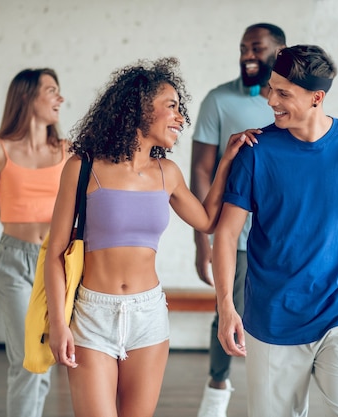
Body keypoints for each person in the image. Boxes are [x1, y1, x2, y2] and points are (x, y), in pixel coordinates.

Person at [43, 57, 251, 417]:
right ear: (139, 109)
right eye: (171, 106)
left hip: (149, 315)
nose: (180, 118)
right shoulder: (82, 167)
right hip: (93, 315)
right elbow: (55, 254)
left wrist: (227, 162)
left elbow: (207, 221)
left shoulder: (166, 173)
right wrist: (58, 326)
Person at [212, 45, 338, 417]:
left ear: (317, 97)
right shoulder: (256, 152)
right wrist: (226, 306)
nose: (271, 99)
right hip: (272, 316)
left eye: (284, 93)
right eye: (272, 88)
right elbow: (225, 234)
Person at [0, 68, 67, 417]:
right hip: (14, 262)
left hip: (56, 262)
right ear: (26, 97)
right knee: (25, 359)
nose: (60, 98)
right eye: (51, 90)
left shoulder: (68, 152)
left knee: (45, 354)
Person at [191, 22, 286, 417]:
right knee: (228, 310)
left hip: (282, 234)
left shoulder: (290, 101)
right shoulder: (218, 100)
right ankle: (217, 389)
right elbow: (200, 171)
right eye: (244, 48)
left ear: (279, 53)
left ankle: (278, 394)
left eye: (257, 48)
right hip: (238, 234)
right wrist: (202, 241)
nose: (248, 55)